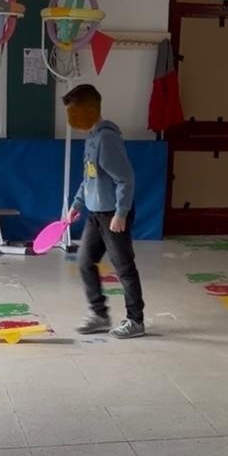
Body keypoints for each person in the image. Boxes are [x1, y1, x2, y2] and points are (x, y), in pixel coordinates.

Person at [64, 84, 146, 339]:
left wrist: (121, 213)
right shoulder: (91, 138)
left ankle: (135, 320)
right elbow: (89, 178)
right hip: (95, 215)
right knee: (84, 262)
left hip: (113, 216)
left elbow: (126, 178)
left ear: (90, 110)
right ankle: (99, 315)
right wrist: (76, 205)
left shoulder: (106, 139)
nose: (71, 118)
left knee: (124, 268)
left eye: (75, 111)